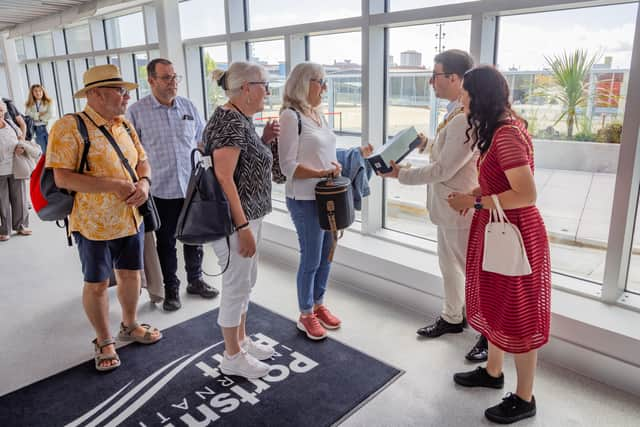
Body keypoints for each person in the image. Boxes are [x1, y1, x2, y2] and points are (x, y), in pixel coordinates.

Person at [447, 65, 551, 424]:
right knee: (496, 305)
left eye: (465, 92)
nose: (461, 98)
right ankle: (493, 373)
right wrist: (477, 193)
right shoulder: (501, 129)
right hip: (500, 231)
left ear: (480, 96)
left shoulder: (505, 135)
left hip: (514, 234)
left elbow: (527, 194)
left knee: (518, 314)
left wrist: (475, 203)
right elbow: (499, 181)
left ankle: (525, 398)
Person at [46, 64, 163, 371]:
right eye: (119, 90)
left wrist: (145, 184)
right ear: (95, 94)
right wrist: (114, 185)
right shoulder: (68, 127)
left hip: (130, 218)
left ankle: (130, 324)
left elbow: (143, 162)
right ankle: (104, 340)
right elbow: (62, 178)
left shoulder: (124, 125)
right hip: (92, 225)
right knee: (97, 284)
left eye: (126, 90)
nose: (126, 96)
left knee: (131, 275)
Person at [379, 49, 487, 361]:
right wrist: (428, 144)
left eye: (436, 75)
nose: (431, 82)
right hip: (446, 208)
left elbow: (443, 170)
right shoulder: (455, 112)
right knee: (449, 268)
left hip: (460, 208)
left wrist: (401, 174)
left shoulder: (467, 117)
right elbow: (446, 157)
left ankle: (487, 334)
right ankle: (453, 318)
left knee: (474, 274)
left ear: (455, 79)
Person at [278, 62, 371, 340]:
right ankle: (305, 313)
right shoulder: (290, 116)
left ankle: (319, 305)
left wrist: (355, 153)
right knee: (311, 257)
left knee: (328, 254)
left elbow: (327, 152)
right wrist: (320, 173)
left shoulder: (318, 115)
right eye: (320, 81)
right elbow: (287, 166)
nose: (325, 87)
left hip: (328, 198)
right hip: (305, 199)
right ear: (304, 83)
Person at [203, 61, 279, 379]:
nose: (268, 92)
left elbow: (241, 161)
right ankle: (232, 356)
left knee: (246, 282)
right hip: (235, 221)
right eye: (265, 85)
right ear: (246, 88)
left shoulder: (239, 118)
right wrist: (243, 225)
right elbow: (224, 177)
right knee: (236, 286)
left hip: (247, 216)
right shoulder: (231, 122)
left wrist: (262, 138)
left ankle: (241, 341)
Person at [127, 58, 219, 312]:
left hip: (190, 187)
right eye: (166, 78)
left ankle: (196, 280)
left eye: (174, 77)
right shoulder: (136, 112)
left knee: (194, 237)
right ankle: (171, 288)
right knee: (165, 242)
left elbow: (202, 141)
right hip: (159, 190)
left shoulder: (188, 106)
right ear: (151, 80)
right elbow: (131, 154)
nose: (172, 83)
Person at [0, 100, 34, 241]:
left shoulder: (10, 124)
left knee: (19, 198)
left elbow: (20, 138)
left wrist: (20, 147)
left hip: (15, 167)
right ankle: (5, 230)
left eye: (1, 110)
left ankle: (20, 226)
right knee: (2, 201)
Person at [24, 84, 54, 153]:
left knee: (53, 150)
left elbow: (50, 114)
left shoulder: (49, 102)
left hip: (47, 128)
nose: (38, 93)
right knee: (44, 152)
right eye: (35, 91)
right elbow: (28, 115)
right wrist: (40, 114)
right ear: (32, 93)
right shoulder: (29, 104)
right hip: (37, 130)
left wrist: (36, 117)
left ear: (43, 92)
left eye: (40, 91)